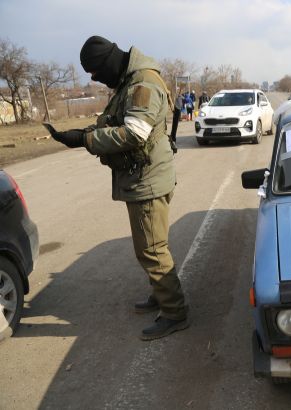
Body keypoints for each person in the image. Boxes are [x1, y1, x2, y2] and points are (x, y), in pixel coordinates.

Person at [50, 35, 189, 341]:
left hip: (147, 181)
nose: (96, 80)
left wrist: (84, 140)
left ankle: (175, 312)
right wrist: (84, 133)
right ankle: (160, 293)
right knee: (152, 245)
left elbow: (134, 134)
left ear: (108, 63)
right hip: (145, 176)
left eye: (96, 73)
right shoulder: (130, 81)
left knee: (151, 249)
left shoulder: (142, 85)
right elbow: (116, 122)